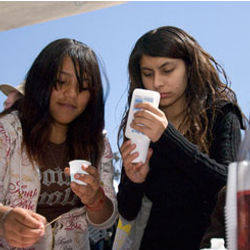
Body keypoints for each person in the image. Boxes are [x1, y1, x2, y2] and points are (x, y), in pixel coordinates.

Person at [116, 26, 245, 250]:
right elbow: (127, 211)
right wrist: (134, 181)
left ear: (190, 66)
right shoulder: (140, 120)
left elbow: (229, 186)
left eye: (167, 70)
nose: (157, 82)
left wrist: (167, 137)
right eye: (148, 73)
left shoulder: (221, 113)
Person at [0, 38, 117, 249]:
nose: (71, 94)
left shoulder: (98, 143)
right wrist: (3, 218)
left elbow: (106, 219)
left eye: (84, 87)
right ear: (41, 80)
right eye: (61, 82)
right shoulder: (7, 132)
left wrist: (95, 198)